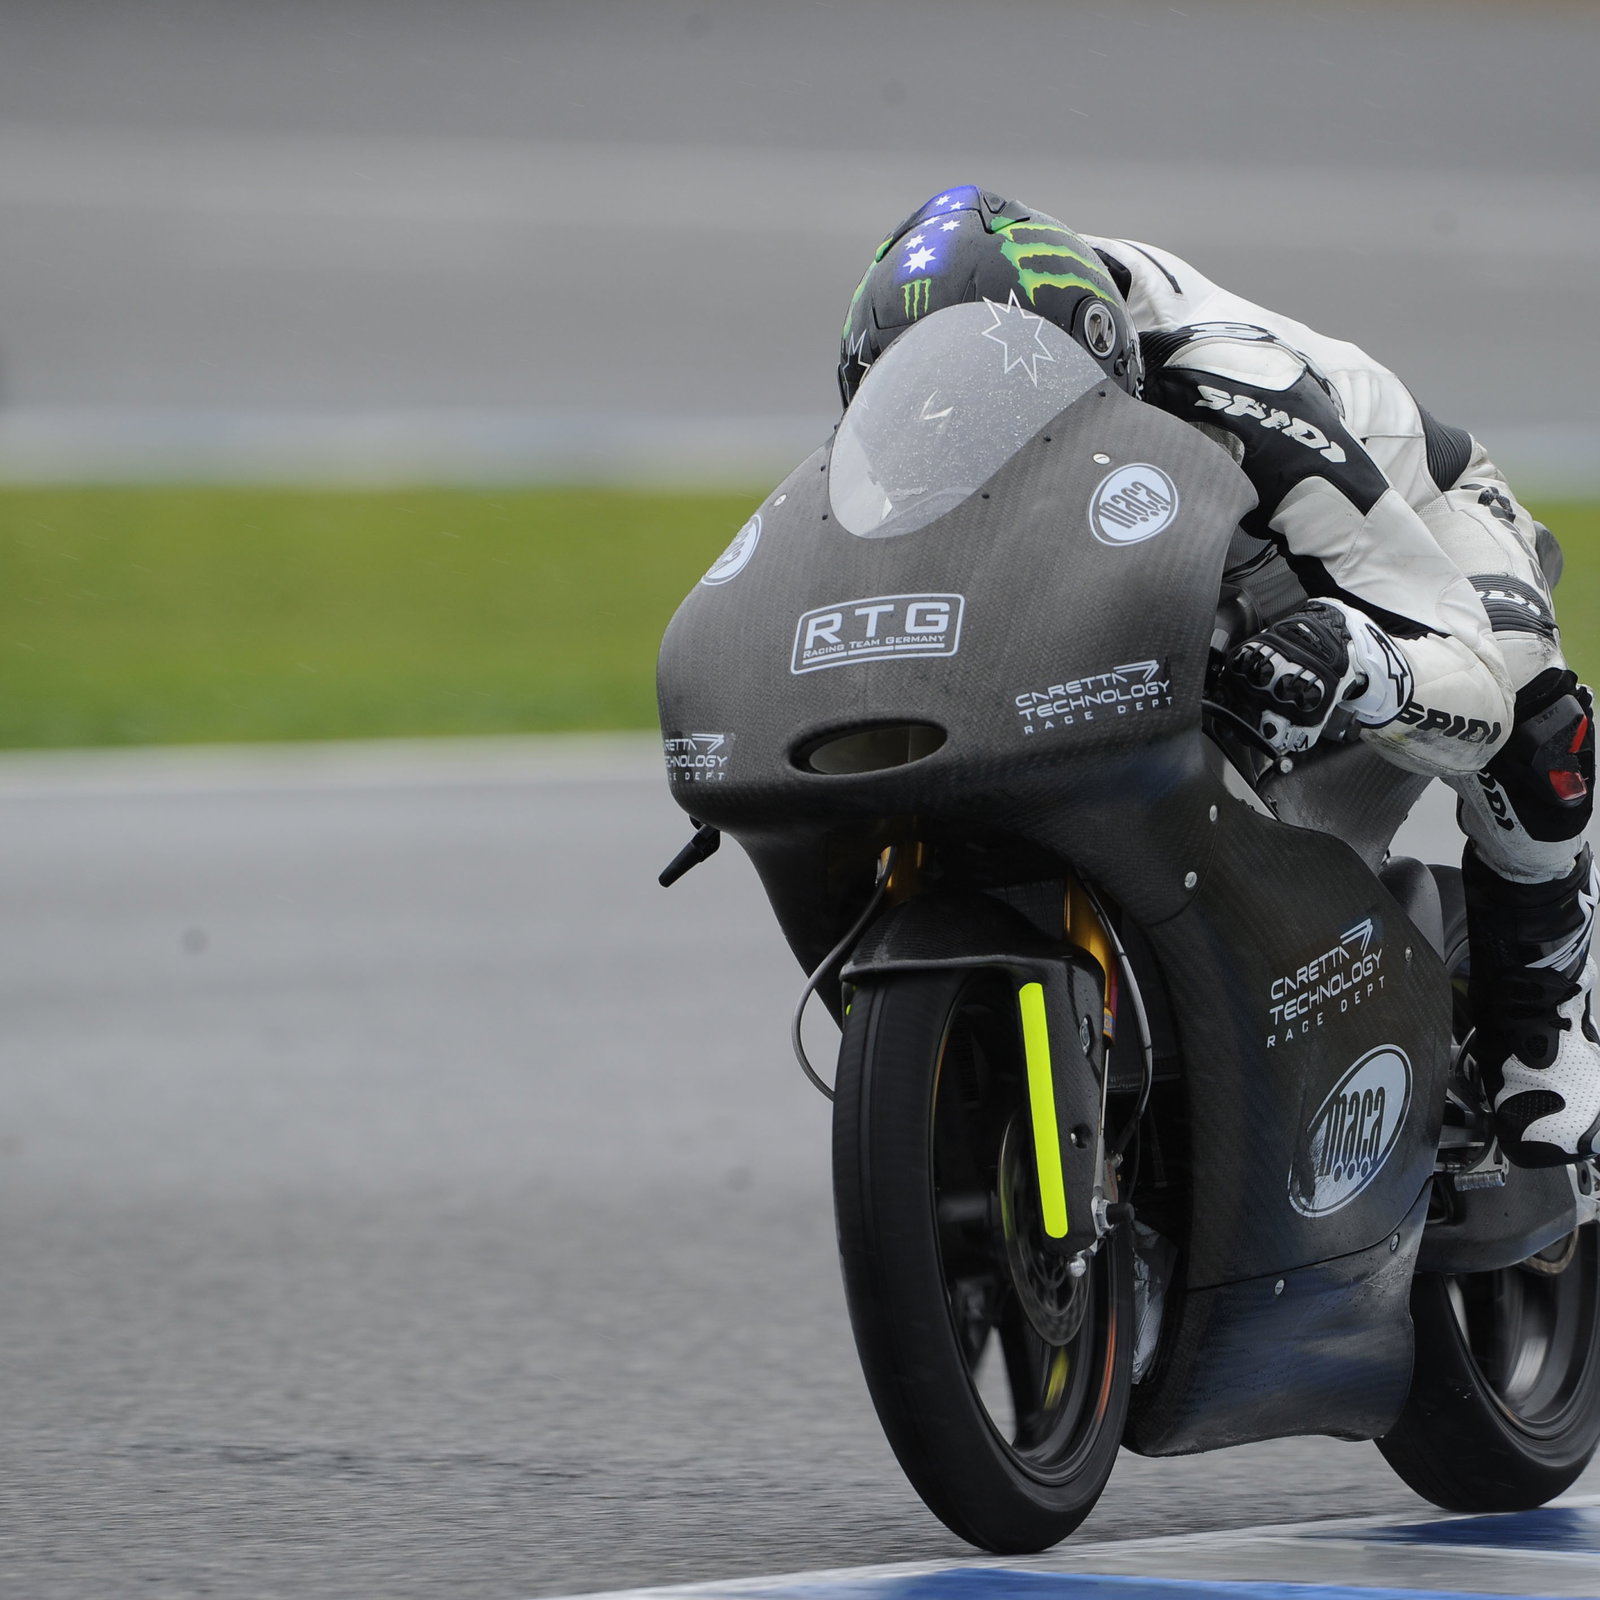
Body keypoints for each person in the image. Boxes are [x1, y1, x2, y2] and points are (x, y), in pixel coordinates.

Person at [838, 186, 1598, 1168]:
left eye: (994, 428)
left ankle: (1543, 1017)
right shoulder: (926, 382)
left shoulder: (1232, 381)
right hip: (1167, 548)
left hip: (1394, 528)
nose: (965, 450)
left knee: (1530, 704)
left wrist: (1360, 659)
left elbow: (1474, 690)